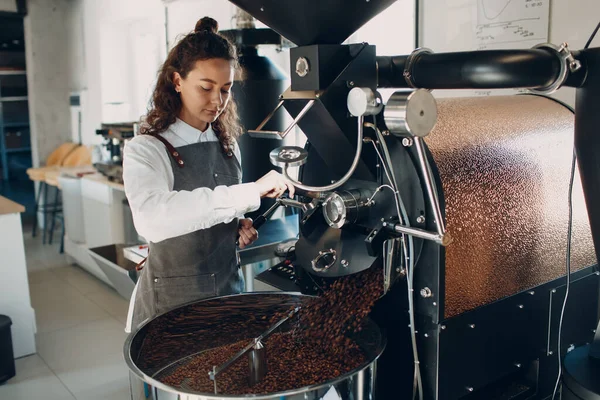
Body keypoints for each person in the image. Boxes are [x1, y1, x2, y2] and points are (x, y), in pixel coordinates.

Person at [122, 16, 294, 333]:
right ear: (176, 81)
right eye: (206, 87)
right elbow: (152, 219)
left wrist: (234, 227)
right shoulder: (147, 148)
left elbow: (212, 212)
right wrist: (249, 192)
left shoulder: (227, 145)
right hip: (171, 308)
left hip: (226, 295)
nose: (217, 101)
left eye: (226, 89)